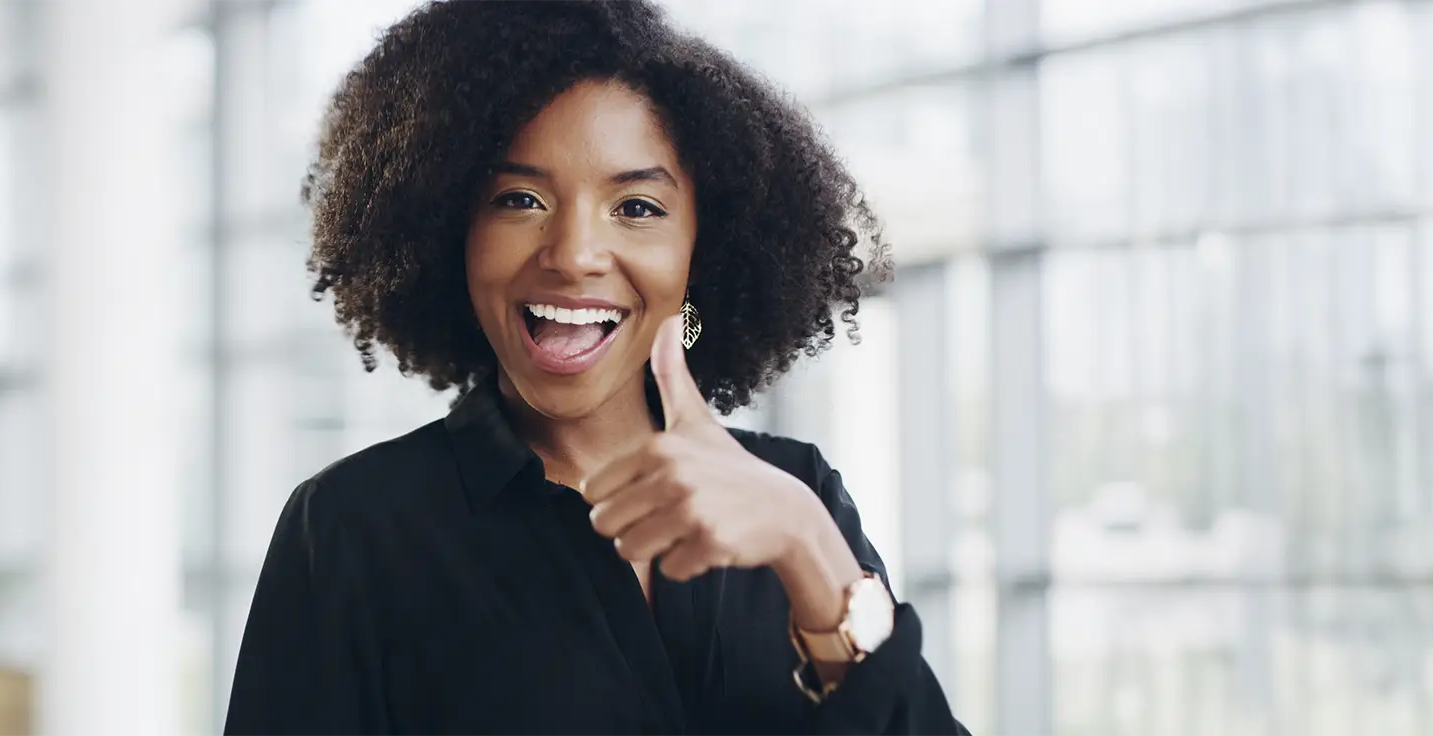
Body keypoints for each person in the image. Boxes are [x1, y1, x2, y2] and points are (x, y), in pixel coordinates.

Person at [224, 1, 968, 733]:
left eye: (637, 207)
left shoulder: (798, 492)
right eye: (520, 200)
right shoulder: (355, 530)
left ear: (701, 252)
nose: (575, 253)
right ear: (452, 233)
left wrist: (809, 547)